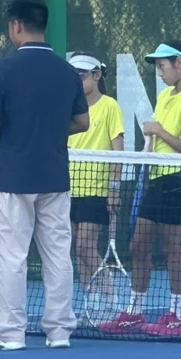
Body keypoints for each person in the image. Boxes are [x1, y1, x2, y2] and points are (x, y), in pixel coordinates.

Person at [0, 0, 90, 351]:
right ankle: (60, 332)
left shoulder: (3, 68)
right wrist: (49, 132)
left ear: (16, 26)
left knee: (11, 257)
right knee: (57, 255)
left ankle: (10, 333)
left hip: (13, 176)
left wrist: (1, 139)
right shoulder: (67, 72)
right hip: (55, 177)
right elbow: (82, 122)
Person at [99, 40, 181, 337]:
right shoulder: (166, 96)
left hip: (176, 180)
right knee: (138, 245)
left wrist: (158, 131)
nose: (159, 72)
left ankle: (178, 316)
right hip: (156, 179)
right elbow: (157, 140)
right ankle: (134, 312)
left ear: (179, 64)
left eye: (162, 66)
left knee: (172, 248)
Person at [66, 52, 125, 297]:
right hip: (68, 189)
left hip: (97, 190)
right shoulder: (68, 107)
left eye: (81, 76)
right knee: (78, 252)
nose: (76, 81)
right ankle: (90, 304)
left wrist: (114, 190)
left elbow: (118, 151)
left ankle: (110, 294)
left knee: (84, 247)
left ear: (97, 75)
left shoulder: (110, 106)